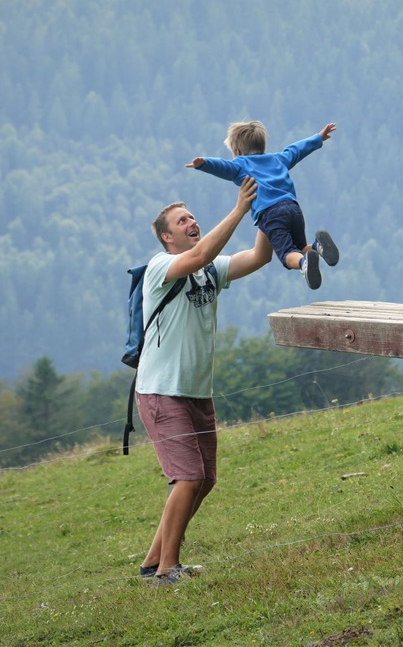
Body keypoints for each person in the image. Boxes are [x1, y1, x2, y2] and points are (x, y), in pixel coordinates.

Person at [135, 176, 270, 585]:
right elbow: (201, 255)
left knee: (205, 480)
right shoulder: (161, 268)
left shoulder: (210, 271)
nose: (191, 222)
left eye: (192, 216)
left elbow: (259, 256)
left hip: (196, 392)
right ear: (166, 237)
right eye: (182, 221)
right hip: (162, 392)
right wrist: (239, 209)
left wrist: (271, 204)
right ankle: (167, 570)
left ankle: (151, 563)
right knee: (188, 478)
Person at [186, 120, 340, 290]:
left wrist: (204, 164)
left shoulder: (240, 164)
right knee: (301, 247)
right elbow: (296, 150)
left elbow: (224, 167)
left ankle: (304, 263)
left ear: (237, 152)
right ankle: (317, 246)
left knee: (288, 254)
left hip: (271, 215)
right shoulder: (277, 159)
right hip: (293, 208)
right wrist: (318, 138)